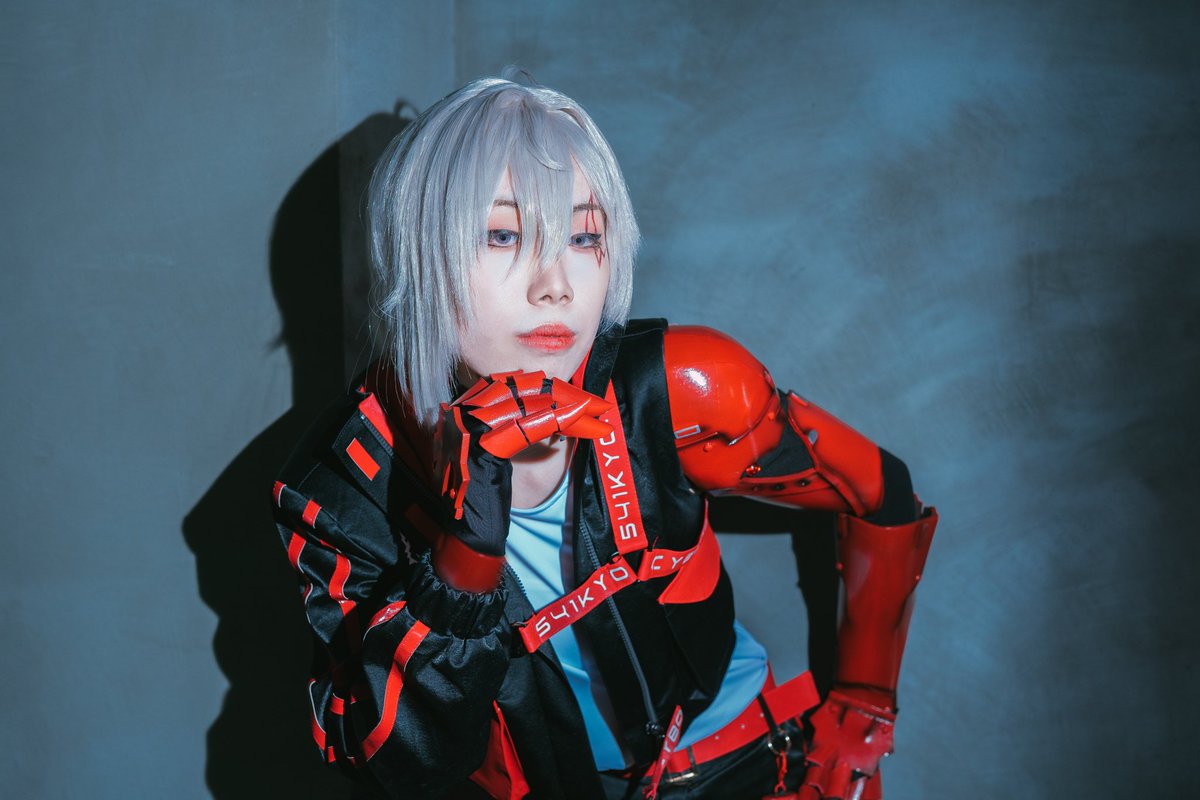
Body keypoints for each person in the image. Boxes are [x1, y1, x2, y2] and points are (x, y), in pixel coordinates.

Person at [272, 72, 937, 800]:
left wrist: (863, 709)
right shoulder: (343, 486)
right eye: (502, 235)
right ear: (417, 251)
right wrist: (464, 557)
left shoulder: (682, 390)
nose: (555, 284)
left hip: (749, 762)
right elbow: (389, 760)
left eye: (584, 236)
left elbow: (883, 493)